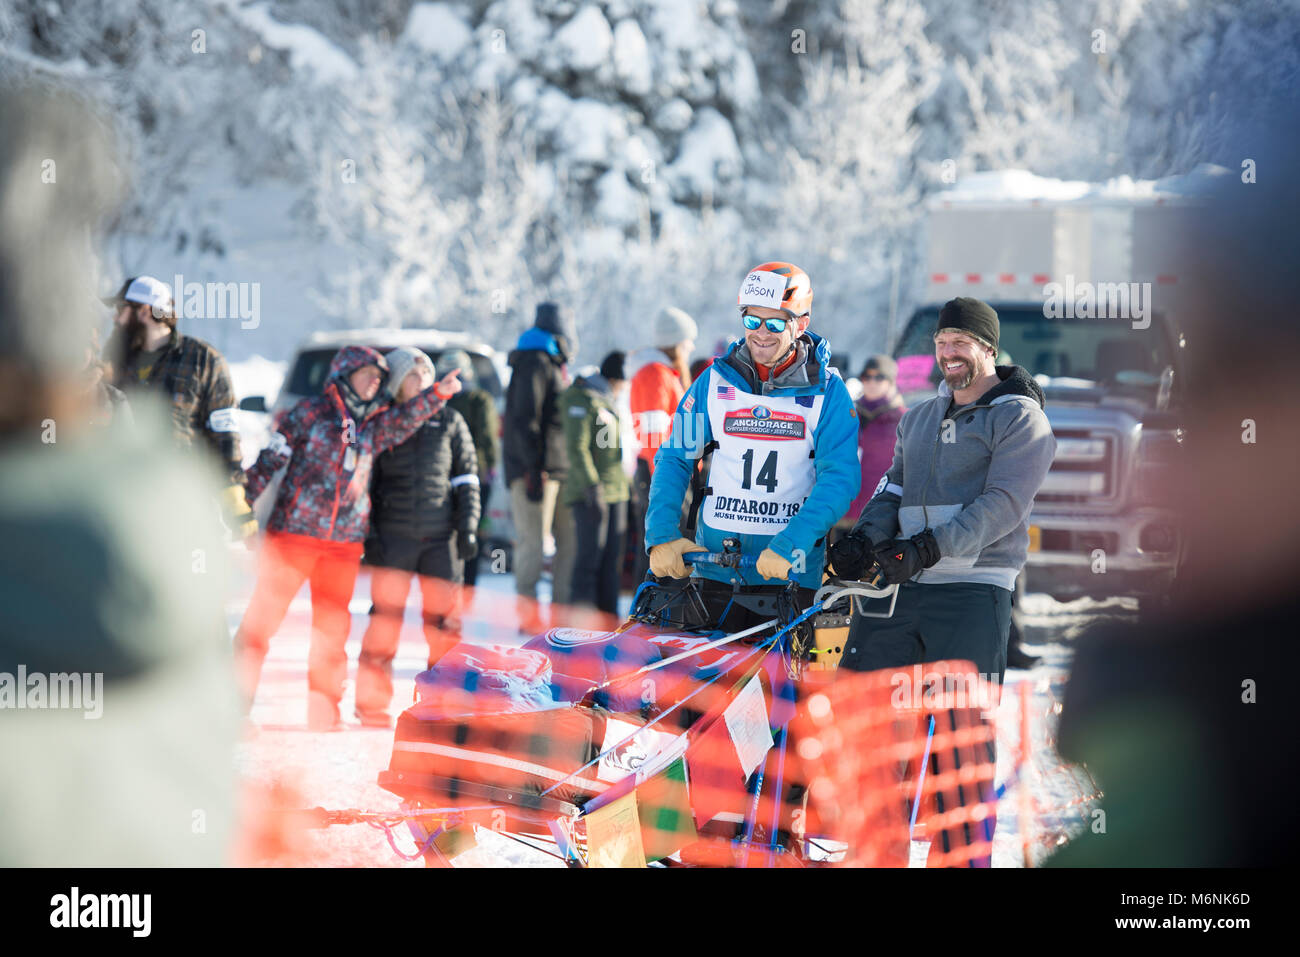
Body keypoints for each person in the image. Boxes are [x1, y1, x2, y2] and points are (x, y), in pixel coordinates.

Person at [0, 85, 239, 865]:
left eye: (151, 314)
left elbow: (223, 426)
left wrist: (224, 487)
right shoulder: (109, 381)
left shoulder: (197, 362)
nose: (142, 323)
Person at [828, 296, 1057, 866]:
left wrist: (929, 548)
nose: (948, 352)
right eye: (941, 342)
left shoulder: (1020, 418)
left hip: (972, 594)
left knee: (958, 745)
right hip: (901, 593)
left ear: (987, 347)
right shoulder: (920, 418)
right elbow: (892, 489)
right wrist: (865, 538)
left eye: (960, 342)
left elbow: (1003, 504)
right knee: (872, 728)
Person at [234, 345, 462, 730]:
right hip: (294, 536)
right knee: (261, 625)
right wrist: (241, 504)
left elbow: (409, 416)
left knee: (331, 633)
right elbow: (269, 460)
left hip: (342, 545)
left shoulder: (376, 422)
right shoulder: (308, 414)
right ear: (344, 373)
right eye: (369, 373)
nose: (377, 380)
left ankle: (323, 710)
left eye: (380, 375)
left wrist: (437, 393)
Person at [645, 261, 860, 627]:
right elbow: (676, 458)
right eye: (752, 321)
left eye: (775, 323)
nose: (761, 333)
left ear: (801, 324)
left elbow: (839, 479)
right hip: (711, 570)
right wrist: (662, 534)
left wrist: (791, 542)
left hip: (787, 577)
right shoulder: (713, 381)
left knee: (778, 687)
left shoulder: (829, 392)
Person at [356, 347, 480, 726]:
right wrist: (371, 536)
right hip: (394, 539)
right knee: (385, 621)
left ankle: (443, 703)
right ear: (396, 382)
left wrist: (468, 525)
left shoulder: (450, 420)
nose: (423, 380)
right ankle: (371, 703)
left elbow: (467, 477)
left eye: (426, 373)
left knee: (445, 624)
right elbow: (365, 486)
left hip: (440, 540)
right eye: (414, 374)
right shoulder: (383, 422)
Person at [103, 274, 255, 542]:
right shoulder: (112, 359)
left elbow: (224, 431)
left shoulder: (203, 359)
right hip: (122, 503)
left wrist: (232, 496)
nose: (115, 319)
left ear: (144, 312)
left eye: (120, 310)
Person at [504, 302, 577, 631]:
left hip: (558, 469)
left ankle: (560, 617)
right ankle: (528, 618)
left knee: (569, 543)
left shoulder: (552, 361)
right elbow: (523, 418)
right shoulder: (534, 360)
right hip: (534, 469)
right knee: (533, 542)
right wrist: (532, 467)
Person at [628, 307, 697, 583]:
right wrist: (666, 483)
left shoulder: (663, 373)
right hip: (660, 473)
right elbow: (653, 435)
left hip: (665, 471)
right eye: (687, 341)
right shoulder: (654, 374)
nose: (691, 347)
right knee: (660, 551)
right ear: (676, 343)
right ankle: (648, 614)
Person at [563, 351, 631, 618]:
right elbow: (577, 448)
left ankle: (608, 620)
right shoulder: (581, 400)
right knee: (589, 560)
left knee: (610, 562)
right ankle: (581, 624)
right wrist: (591, 486)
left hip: (616, 491)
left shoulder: (607, 401)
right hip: (591, 492)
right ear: (614, 379)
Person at [440, 349, 499, 588]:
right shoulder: (479, 399)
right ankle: (467, 587)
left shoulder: (439, 400)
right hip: (475, 476)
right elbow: (487, 437)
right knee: (471, 531)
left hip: (444, 476)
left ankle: (449, 582)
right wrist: (490, 467)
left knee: (448, 532)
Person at [837, 354, 905, 539]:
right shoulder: (848, 415)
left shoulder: (904, 420)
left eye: (879, 377)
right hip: (841, 513)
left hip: (879, 517)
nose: (872, 382)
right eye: (867, 377)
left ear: (891, 382)